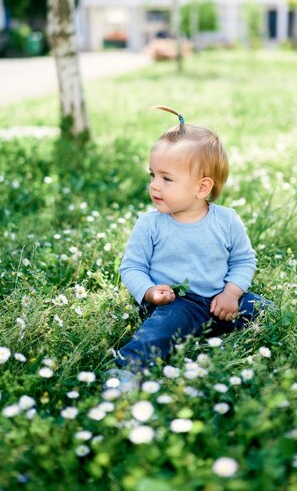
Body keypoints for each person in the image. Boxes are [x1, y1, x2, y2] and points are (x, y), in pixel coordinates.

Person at [109, 106, 271, 390]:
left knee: (265, 310)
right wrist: (149, 291)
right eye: (152, 176)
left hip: (221, 301)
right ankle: (129, 370)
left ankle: (220, 325)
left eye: (166, 178)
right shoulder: (150, 224)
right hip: (177, 302)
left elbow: (244, 260)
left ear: (201, 188)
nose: (155, 186)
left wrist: (232, 293)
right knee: (160, 330)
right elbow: (132, 266)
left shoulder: (226, 220)